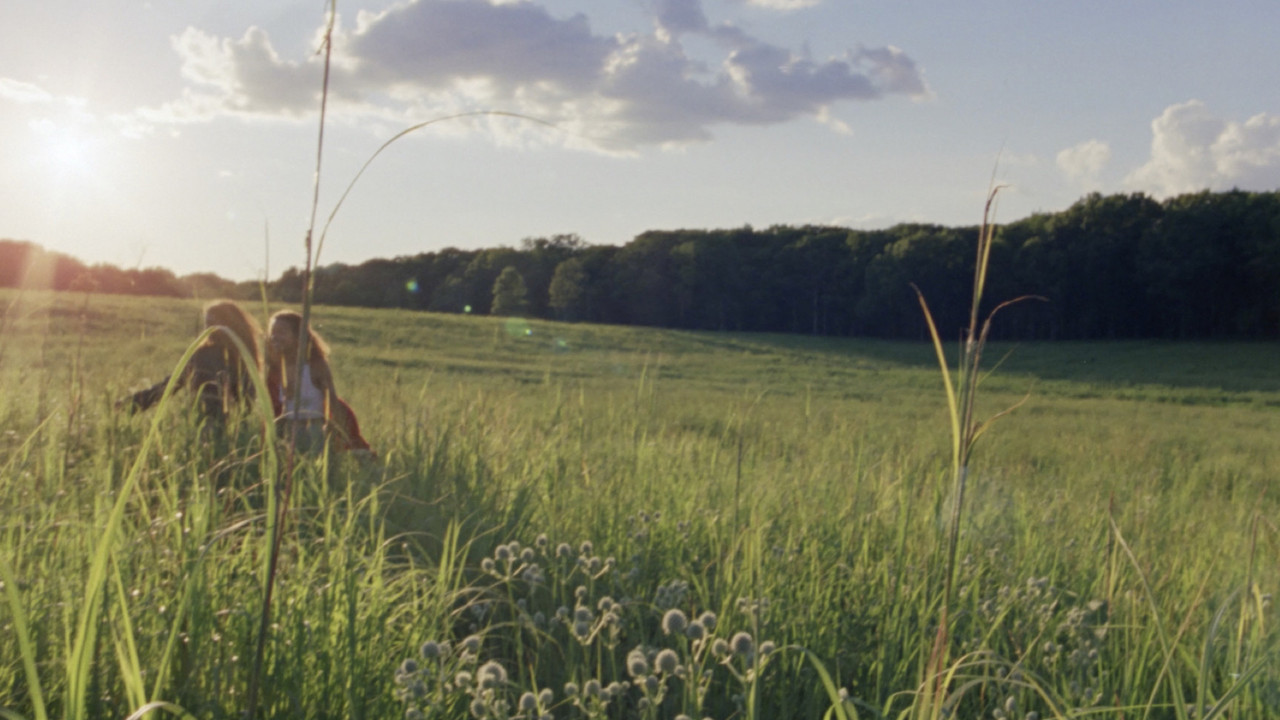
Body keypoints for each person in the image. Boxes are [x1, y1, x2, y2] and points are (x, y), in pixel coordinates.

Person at [124, 300, 262, 424]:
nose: (208, 329)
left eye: (213, 323)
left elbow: (171, 385)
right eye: (207, 324)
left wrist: (132, 404)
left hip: (209, 426)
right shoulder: (245, 356)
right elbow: (171, 384)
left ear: (229, 325)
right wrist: (132, 403)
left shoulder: (213, 354)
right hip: (231, 428)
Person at [265, 310, 372, 455]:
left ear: (298, 336)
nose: (274, 337)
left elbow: (332, 401)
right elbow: (275, 409)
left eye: (281, 332)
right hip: (288, 433)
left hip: (315, 432)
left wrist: (344, 435)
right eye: (272, 332)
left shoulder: (316, 366)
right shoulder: (276, 370)